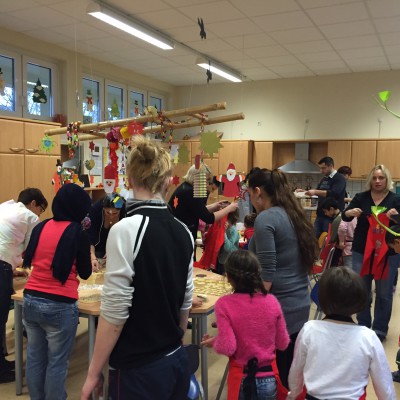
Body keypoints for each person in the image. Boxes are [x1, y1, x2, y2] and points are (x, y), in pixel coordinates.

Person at [81, 136, 195, 400]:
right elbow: (185, 301)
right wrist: (175, 340)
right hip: (174, 360)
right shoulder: (184, 232)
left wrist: (93, 372)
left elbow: (114, 314)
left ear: (130, 180)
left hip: (138, 369)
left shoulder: (124, 230)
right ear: (168, 181)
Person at [247, 168, 318, 389]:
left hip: (277, 309)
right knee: (290, 374)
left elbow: (267, 275)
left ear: (258, 192)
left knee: (273, 378)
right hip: (299, 304)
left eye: (249, 193)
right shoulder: (293, 213)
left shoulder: (266, 218)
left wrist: (243, 308)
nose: (249, 198)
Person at [22, 184, 92, 400]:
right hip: (59, 303)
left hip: (31, 298)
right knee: (57, 362)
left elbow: (32, 259)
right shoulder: (77, 232)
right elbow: (86, 273)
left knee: (35, 357)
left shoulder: (41, 226)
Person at [288, 266, 396, 400]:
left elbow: (296, 372)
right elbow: (385, 386)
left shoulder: (309, 330)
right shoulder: (368, 337)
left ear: (321, 298)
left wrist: (293, 394)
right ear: (360, 299)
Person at [201, 250, 290, 400]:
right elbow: (283, 343)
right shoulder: (272, 302)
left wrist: (215, 342)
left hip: (242, 378)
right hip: (269, 378)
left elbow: (228, 347)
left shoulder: (224, 304)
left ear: (228, 277)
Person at [342, 164, 400, 341]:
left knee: (384, 293)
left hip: (388, 253)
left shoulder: (395, 199)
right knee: (362, 290)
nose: (377, 181)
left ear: (387, 180)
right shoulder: (361, 197)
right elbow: (345, 216)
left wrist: (396, 217)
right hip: (361, 251)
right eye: (374, 178)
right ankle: (363, 325)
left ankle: (380, 330)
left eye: (381, 178)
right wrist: (350, 211)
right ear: (370, 180)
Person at [0, 188, 47, 384]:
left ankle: (2, 362)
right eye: (41, 210)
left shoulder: (5, 206)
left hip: (3, 264)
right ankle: (1, 372)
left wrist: (12, 268)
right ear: (34, 204)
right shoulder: (30, 217)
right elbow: (30, 251)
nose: (39, 215)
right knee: (0, 318)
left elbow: (7, 240)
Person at [168, 163, 238, 242]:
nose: (207, 184)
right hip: (181, 236)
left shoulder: (186, 187)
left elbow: (198, 210)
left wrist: (214, 206)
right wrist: (229, 209)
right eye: (207, 180)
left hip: (177, 232)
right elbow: (209, 218)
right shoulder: (191, 192)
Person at [298, 156, 346, 239]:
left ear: (330, 166)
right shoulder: (324, 179)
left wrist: (315, 191)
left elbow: (334, 193)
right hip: (320, 215)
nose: (321, 171)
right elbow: (319, 192)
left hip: (331, 217)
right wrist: (304, 191)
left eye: (323, 168)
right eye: (320, 168)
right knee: (315, 240)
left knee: (327, 241)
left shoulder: (339, 178)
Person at [87, 192, 126, 271]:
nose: (111, 216)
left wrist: (113, 251)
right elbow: (90, 238)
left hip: (119, 248)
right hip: (97, 249)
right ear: (103, 208)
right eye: (107, 212)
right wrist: (93, 258)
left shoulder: (125, 212)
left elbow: (125, 238)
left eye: (115, 213)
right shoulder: (95, 210)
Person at [216, 209, 240, 275]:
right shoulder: (225, 228)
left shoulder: (233, 231)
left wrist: (224, 232)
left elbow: (228, 248)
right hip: (221, 259)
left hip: (229, 262)